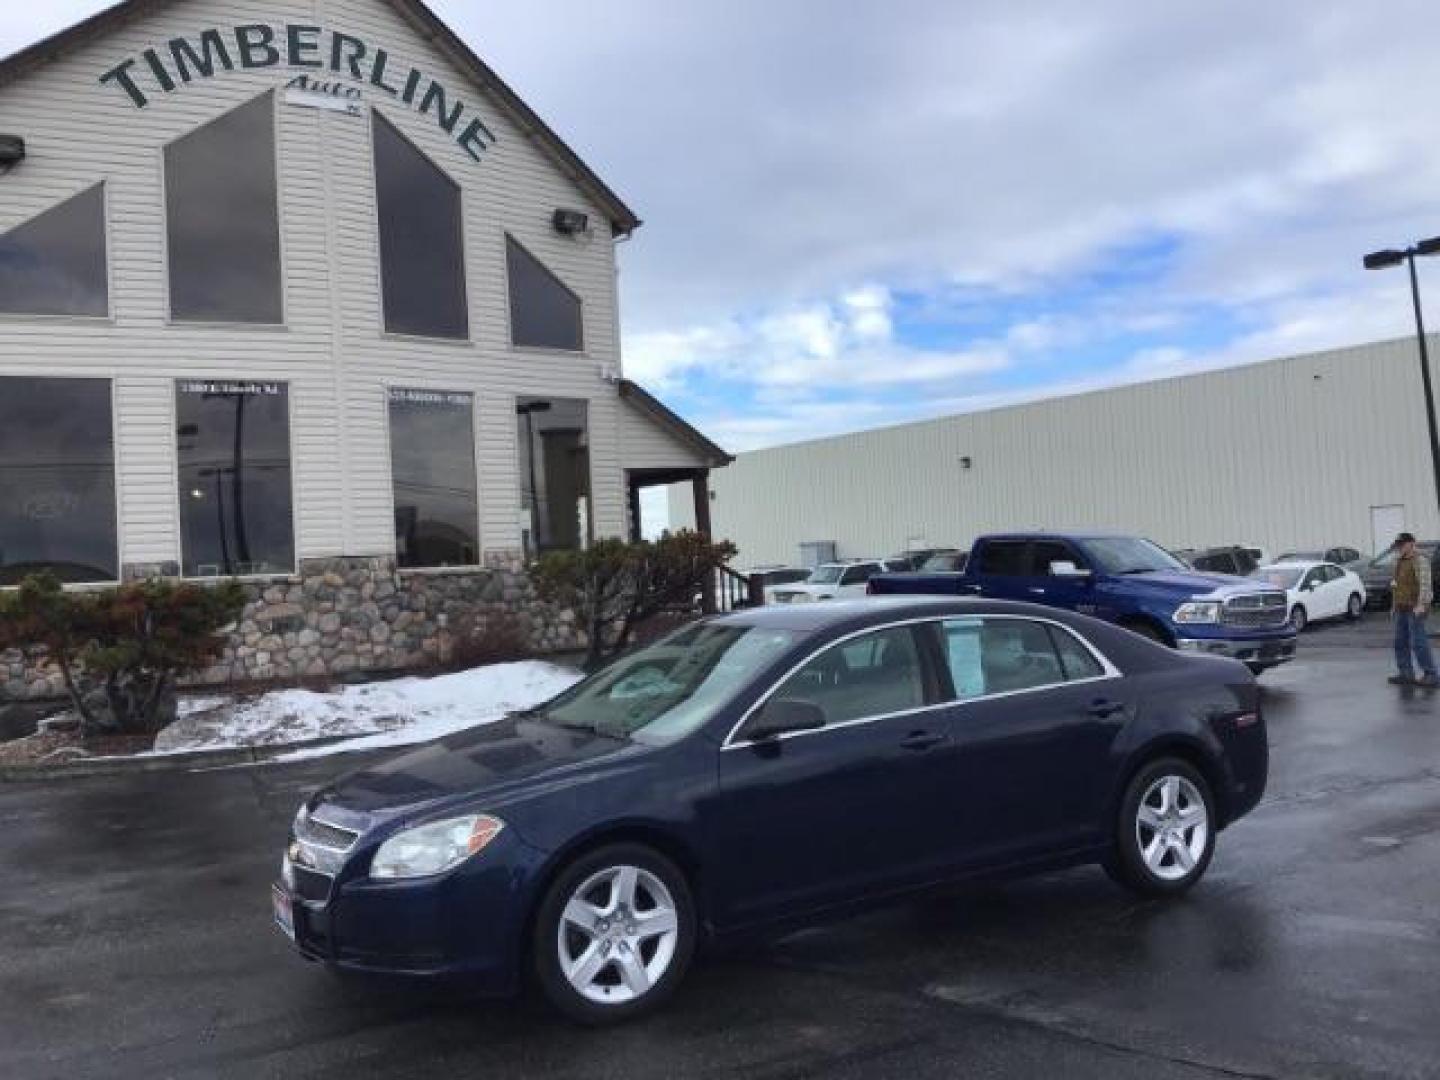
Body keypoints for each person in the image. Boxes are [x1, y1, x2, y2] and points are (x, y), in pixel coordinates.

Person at [1389, 532, 1438, 687]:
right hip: (1401, 607)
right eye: (1398, 545)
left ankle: (1431, 674)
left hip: (1416, 608)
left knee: (1418, 642)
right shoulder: (1398, 561)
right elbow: (1396, 585)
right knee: (1400, 642)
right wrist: (1393, 605)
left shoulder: (1420, 560)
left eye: (1402, 544)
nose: (1400, 548)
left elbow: (1425, 585)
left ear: (1411, 544)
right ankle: (1406, 673)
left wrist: (1421, 604)